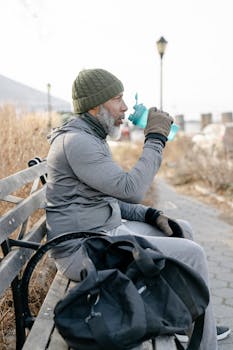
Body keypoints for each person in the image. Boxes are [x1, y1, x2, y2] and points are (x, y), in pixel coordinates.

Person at [46, 68, 230, 349]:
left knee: (184, 228)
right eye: (117, 99)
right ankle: (204, 344)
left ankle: (185, 319)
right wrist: (155, 138)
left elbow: (108, 199)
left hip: (100, 234)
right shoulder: (78, 142)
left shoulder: (90, 137)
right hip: (83, 250)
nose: (125, 107)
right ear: (96, 105)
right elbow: (131, 189)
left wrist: (150, 214)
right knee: (193, 254)